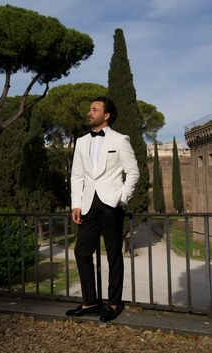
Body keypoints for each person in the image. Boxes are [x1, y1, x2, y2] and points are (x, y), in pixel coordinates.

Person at [66, 96, 139, 322]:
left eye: (94, 109)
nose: (89, 112)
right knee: (81, 252)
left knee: (114, 255)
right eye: (90, 109)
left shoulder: (120, 140)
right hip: (88, 204)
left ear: (105, 115)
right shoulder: (81, 141)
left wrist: (122, 197)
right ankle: (90, 302)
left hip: (111, 204)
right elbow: (77, 175)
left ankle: (114, 303)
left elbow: (133, 172)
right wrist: (76, 204)